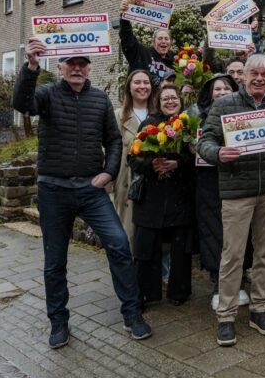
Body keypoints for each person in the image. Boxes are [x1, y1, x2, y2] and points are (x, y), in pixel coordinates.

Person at [12, 40, 151, 348]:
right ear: (60, 67)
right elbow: (22, 103)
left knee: (118, 243)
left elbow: (114, 141)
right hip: (54, 190)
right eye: (70, 63)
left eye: (82, 64)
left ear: (89, 68)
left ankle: (132, 314)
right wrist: (31, 67)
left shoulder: (100, 100)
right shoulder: (47, 95)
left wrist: (109, 172)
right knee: (55, 261)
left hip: (91, 189)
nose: (77, 68)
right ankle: (58, 323)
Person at [198, 54, 265, 347]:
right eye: (254, 72)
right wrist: (217, 154)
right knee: (233, 256)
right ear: (244, 75)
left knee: (264, 254)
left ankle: (260, 310)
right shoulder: (225, 105)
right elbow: (205, 141)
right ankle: (226, 317)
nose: (259, 78)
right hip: (236, 193)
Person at [128, 84, 195, 306]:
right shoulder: (149, 124)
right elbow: (133, 159)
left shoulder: (188, 125)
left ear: (180, 101)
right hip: (151, 197)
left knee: (180, 249)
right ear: (158, 102)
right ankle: (146, 293)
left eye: (173, 98)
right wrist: (152, 164)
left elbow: (198, 160)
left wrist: (178, 163)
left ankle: (179, 292)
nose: (169, 102)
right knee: (146, 248)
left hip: (180, 196)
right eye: (165, 98)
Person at [186, 74, 238, 310]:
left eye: (227, 88)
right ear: (209, 92)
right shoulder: (194, 115)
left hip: (238, 180)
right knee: (213, 232)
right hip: (208, 183)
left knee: (237, 233)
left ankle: (239, 281)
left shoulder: (243, 113)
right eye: (217, 88)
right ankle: (218, 283)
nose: (222, 92)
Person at [113, 69, 152, 251]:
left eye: (146, 82)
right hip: (126, 182)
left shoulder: (157, 114)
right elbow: (109, 151)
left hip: (152, 183)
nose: (142, 86)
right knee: (126, 232)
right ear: (129, 86)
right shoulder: (118, 116)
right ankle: (127, 273)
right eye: (137, 82)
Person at [118, 0, 175, 88]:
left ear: (170, 43)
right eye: (160, 38)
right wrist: (124, 16)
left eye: (166, 39)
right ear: (153, 42)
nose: (163, 41)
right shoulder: (141, 53)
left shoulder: (175, 63)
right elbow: (127, 38)